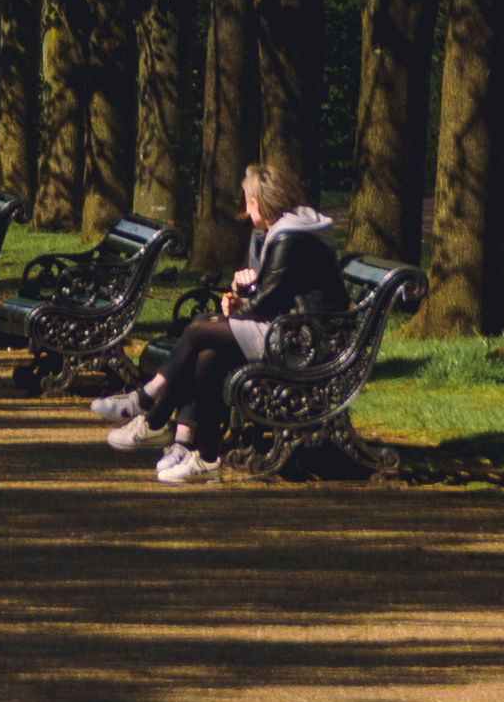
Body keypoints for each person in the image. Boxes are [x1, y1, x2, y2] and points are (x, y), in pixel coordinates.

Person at [94, 171, 346, 482]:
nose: (246, 212)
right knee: (207, 352)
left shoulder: (289, 236)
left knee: (201, 328)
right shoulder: (293, 228)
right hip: (293, 330)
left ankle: (150, 407)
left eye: (248, 204)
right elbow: (277, 292)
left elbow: (269, 301)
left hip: (302, 343)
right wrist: (240, 298)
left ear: (257, 202)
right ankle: (204, 456)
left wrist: (239, 306)